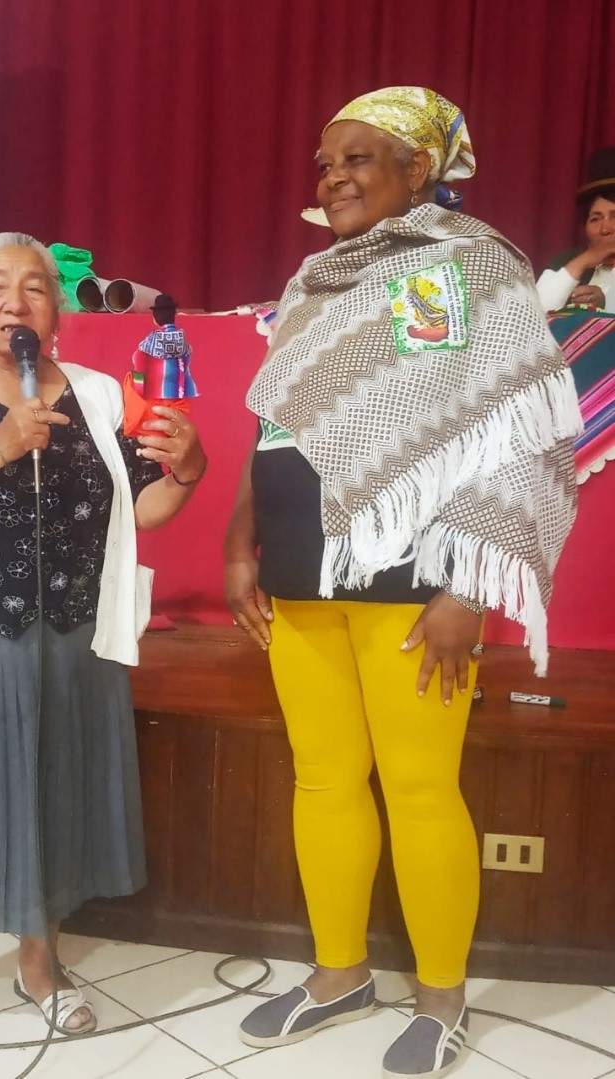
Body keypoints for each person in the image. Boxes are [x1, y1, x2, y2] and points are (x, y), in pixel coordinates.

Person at [224, 87, 581, 1079]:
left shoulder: (474, 266)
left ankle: (441, 995)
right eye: (324, 162)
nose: (332, 176)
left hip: (415, 577)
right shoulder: (313, 281)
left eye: (358, 158)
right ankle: (339, 973)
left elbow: (520, 436)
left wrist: (467, 584)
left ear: (419, 169)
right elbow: (279, 423)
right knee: (323, 777)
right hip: (300, 569)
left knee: (421, 788)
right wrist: (242, 539)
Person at [0, 231, 207, 1049]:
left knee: (52, 799)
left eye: (35, 288)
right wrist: (0, 443)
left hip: (72, 640)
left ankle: (39, 963)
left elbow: (143, 509)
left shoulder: (97, 394)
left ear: (57, 315)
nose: (15, 301)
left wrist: (189, 470)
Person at [535, 147, 615, 312]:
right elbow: (531, 313)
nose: (604, 229)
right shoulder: (569, 261)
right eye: (595, 219)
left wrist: (606, 304)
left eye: (614, 217)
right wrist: (582, 262)